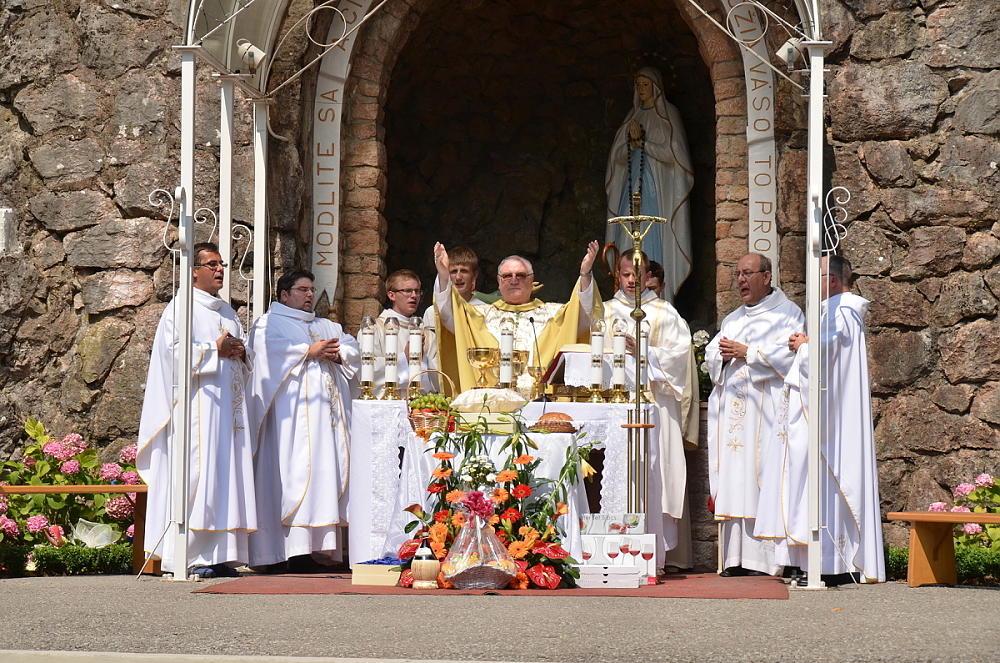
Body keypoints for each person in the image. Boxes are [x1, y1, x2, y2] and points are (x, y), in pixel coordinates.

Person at [756, 255, 885, 584]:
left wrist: (803, 346)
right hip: (816, 414)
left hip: (830, 421)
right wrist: (805, 345)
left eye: (818, 276)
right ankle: (808, 562)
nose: (813, 283)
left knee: (824, 487)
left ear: (832, 280)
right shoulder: (833, 310)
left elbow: (828, 360)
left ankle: (830, 566)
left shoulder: (844, 311)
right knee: (806, 486)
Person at [137, 242, 256, 577]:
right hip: (197, 412)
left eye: (222, 265)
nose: (220, 270)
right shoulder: (181, 308)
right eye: (212, 264)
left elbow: (245, 358)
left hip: (226, 414)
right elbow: (171, 356)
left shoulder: (228, 312)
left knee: (225, 478)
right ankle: (187, 557)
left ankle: (221, 555)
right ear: (194, 271)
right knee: (197, 477)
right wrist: (212, 349)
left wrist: (241, 353)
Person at [247, 269, 359, 573]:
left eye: (311, 290)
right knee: (292, 477)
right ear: (284, 295)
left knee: (326, 476)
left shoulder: (325, 324)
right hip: (290, 424)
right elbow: (265, 353)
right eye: (302, 290)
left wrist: (338, 355)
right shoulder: (269, 323)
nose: (309, 295)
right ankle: (285, 552)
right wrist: (308, 351)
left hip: (328, 422)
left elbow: (351, 346)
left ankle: (319, 551)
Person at [705, 253, 804, 577]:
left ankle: (771, 561)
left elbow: (795, 357)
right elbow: (713, 354)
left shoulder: (789, 314)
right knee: (736, 479)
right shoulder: (732, 319)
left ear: (767, 276)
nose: (741, 280)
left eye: (748, 274)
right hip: (735, 415)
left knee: (764, 477)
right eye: (737, 275)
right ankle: (736, 559)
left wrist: (749, 353)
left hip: (768, 412)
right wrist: (719, 354)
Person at [603, 250, 699, 570]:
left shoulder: (665, 312)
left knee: (655, 475)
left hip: (656, 405)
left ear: (648, 276)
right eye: (627, 273)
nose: (632, 280)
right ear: (618, 275)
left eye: (639, 274)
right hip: (616, 408)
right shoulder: (604, 313)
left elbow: (679, 357)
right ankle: (610, 546)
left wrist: (643, 351)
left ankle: (655, 555)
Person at [432, 240, 602, 392]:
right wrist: (444, 275)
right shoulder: (480, 316)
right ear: (499, 282)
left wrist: (585, 275)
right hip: (494, 401)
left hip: (541, 402)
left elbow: (584, 314)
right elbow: (448, 314)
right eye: (507, 276)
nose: (513, 280)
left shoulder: (553, 315)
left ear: (531, 279)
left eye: (520, 275)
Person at [605, 67, 694, 303]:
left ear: (656, 87)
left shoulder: (668, 115)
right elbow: (615, 159)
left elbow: (675, 157)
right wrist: (631, 144)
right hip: (632, 186)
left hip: (657, 192)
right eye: (638, 85)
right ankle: (627, 293)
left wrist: (644, 144)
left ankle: (655, 294)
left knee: (652, 233)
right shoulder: (631, 117)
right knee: (628, 233)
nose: (641, 89)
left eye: (645, 84)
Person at [374, 269, 435, 396]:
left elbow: (439, 377)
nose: (414, 296)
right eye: (407, 291)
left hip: (421, 407)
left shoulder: (427, 334)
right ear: (392, 295)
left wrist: (423, 358)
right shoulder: (374, 329)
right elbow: (367, 370)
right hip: (389, 404)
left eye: (417, 291)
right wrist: (404, 358)